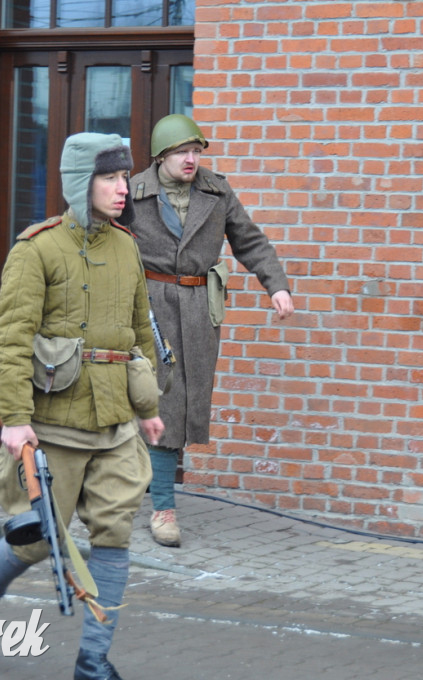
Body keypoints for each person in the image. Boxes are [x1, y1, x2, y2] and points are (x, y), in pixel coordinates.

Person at [0, 132, 164, 680]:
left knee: (115, 535)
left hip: (115, 426)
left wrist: (148, 405)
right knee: (35, 543)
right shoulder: (38, 248)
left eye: (125, 178)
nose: (122, 189)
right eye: (109, 178)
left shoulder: (126, 245)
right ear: (81, 183)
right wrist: (16, 420)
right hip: (52, 427)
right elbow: (8, 340)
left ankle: (93, 661)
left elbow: (140, 332)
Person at [129, 114, 294, 547]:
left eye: (196, 152)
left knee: (182, 408)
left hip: (199, 311)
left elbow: (250, 241)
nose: (191, 160)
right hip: (147, 309)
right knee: (161, 403)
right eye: (182, 152)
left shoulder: (216, 191)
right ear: (161, 155)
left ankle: (147, 485)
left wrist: (276, 287)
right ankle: (162, 507)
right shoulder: (131, 193)